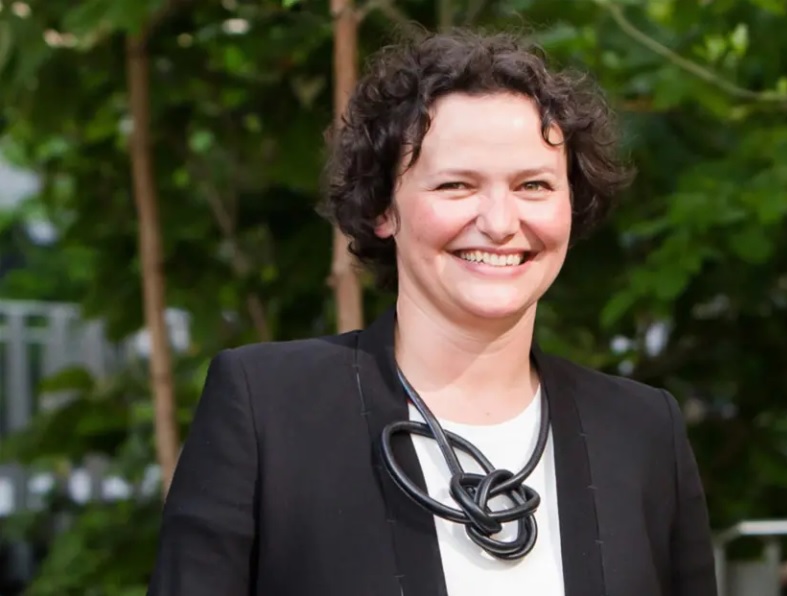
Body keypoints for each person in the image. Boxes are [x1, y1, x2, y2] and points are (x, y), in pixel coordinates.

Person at [147, 29, 717, 596]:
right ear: (383, 208)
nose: (500, 222)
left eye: (534, 185)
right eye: (457, 185)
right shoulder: (268, 410)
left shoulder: (642, 432)